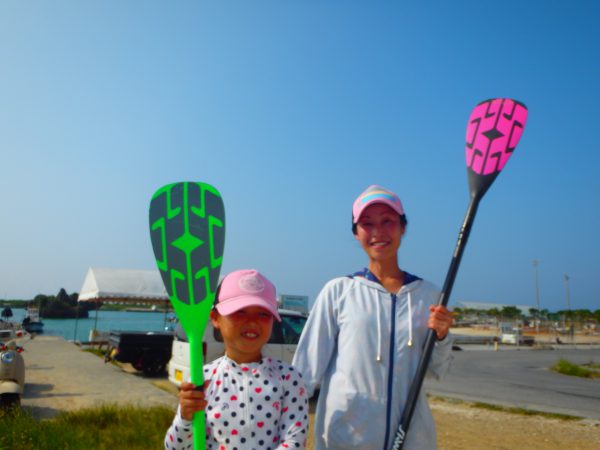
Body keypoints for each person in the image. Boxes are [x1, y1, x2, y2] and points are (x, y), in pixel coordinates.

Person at [292, 185, 453, 450]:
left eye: (387, 221)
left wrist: (443, 337)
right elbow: (304, 372)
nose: (378, 231)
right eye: (367, 223)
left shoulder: (429, 296)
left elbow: (439, 370)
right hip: (345, 440)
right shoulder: (338, 291)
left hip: (413, 440)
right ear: (356, 233)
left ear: (403, 227)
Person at [164, 269, 309, 450]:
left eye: (263, 314)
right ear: (215, 318)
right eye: (239, 312)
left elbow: (295, 441)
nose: (252, 321)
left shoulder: (289, 378)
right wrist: (185, 417)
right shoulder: (202, 379)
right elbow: (173, 447)